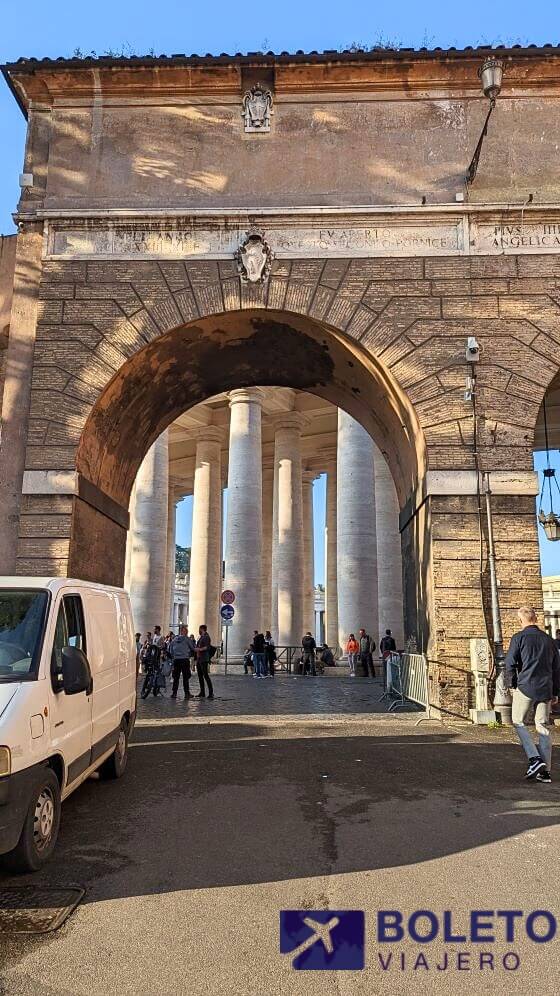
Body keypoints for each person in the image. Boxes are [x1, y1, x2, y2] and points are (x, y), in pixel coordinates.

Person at [505, 606, 560, 783]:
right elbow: (556, 669)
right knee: (543, 727)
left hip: (526, 686)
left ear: (521, 621)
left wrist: (512, 685)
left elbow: (510, 664)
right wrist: (556, 692)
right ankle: (545, 772)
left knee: (518, 721)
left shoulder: (518, 638)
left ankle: (534, 759)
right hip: (546, 688)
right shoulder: (549, 640)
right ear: (535, 619)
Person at [170, 626, 196, 700]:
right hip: (184, 660)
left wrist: (174, 657)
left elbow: (171, 650)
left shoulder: (174, 640)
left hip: (176, 660)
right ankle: (187, 693)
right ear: (182, 631)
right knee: (185, 677)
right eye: (186, 631)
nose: (187, 633)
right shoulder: (187, 639)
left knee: (176, 677)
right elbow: (193, 648)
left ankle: (174, 693)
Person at [195, 624, 214, 699]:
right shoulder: (201, 637)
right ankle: (202, 692)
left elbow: (207, 647)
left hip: (204, 659)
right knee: (200, 676)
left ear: (202, 629)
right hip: (199, 659)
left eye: (199, 629)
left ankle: (211, 692)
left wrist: (199, 649)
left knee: (206, 676)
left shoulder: (206, 637)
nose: (198, 631)